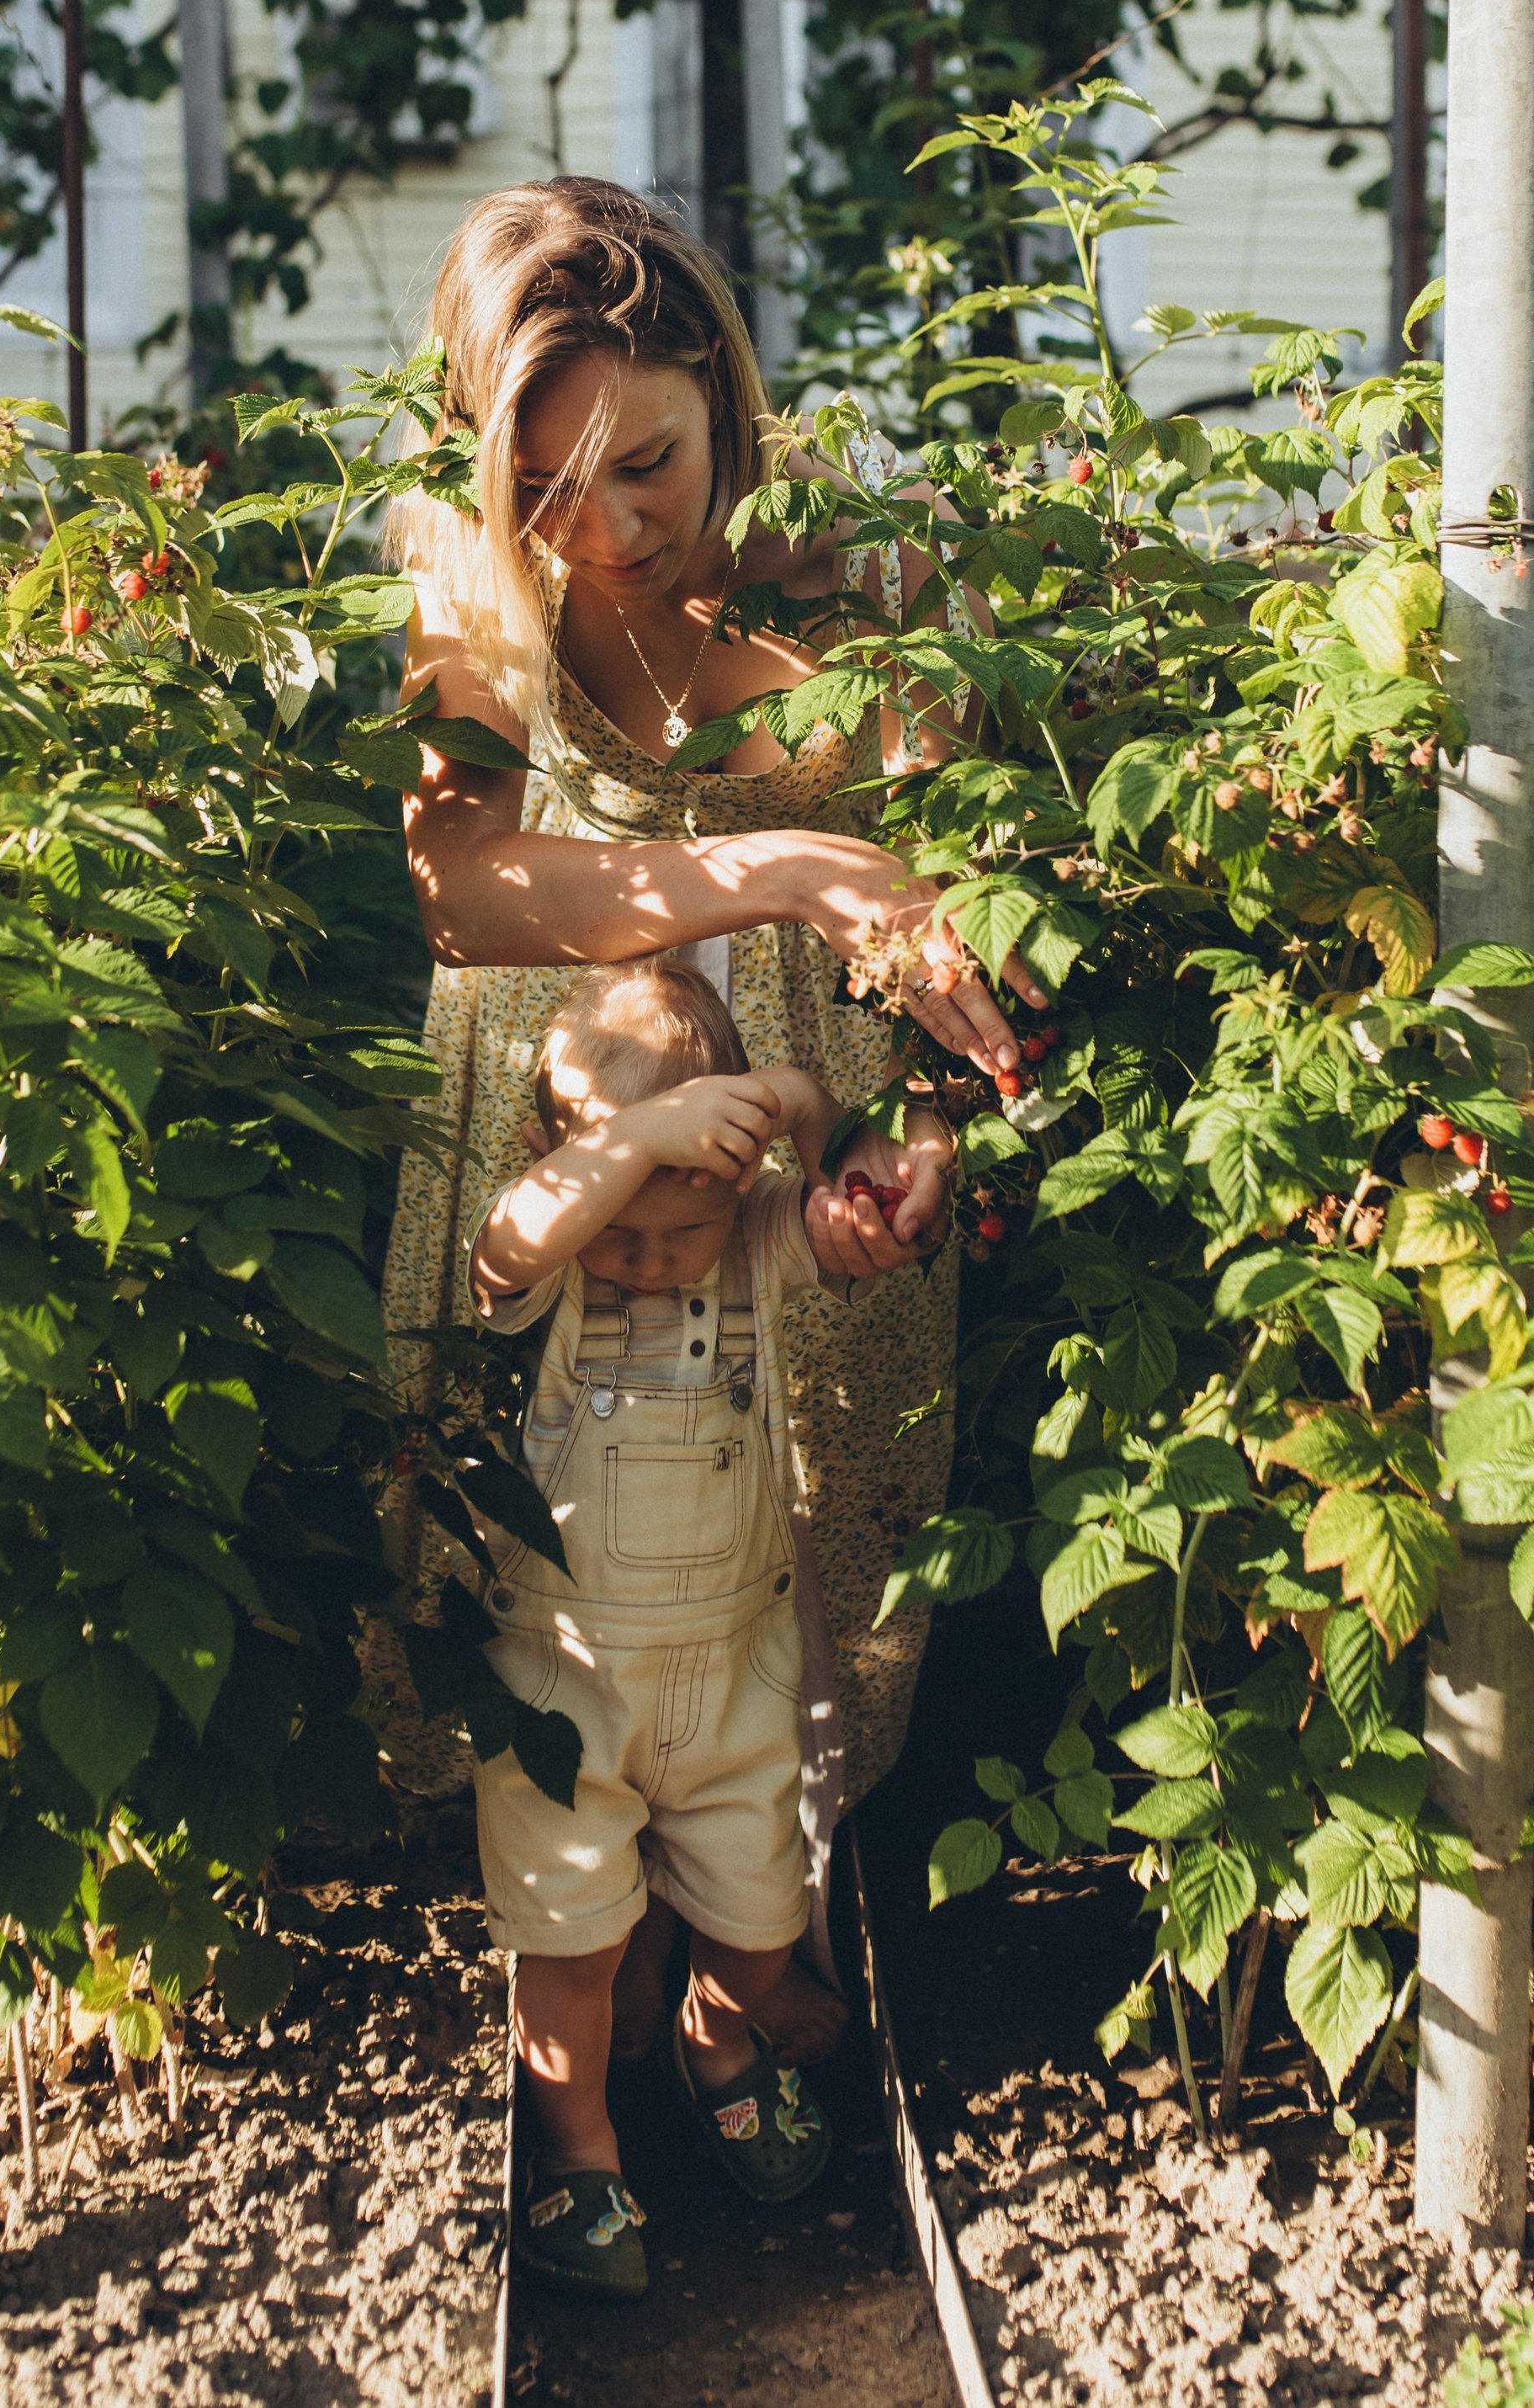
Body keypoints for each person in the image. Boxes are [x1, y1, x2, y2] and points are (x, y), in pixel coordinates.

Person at [380, 174, 1043, 2052]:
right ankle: (604, 1954)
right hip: (563, 1119)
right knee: (563, 1549)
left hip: (807, 1118)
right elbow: (466, 890)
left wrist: (923, 1143)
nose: (598, 525)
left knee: (812, 1526)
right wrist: (781, 866)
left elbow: (964, 906)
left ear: (721, 390)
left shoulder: (861, 563)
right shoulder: (460, 570)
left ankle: (752, 1934)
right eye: (546, 483)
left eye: (646, 464)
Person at [470, 962, 932, 2301]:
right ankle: (581, 2151)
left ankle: (718, 2031)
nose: (655, 1258)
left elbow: (842, 1190)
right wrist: (629, 1150)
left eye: (685, 1228)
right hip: (566, 1682)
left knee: (763, 1917)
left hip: (734, 1675)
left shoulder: (754, 1235)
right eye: (629, 1227)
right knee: (567, 1939)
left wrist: (792, 1100)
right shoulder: (556, 1259)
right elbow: (512, 1239)